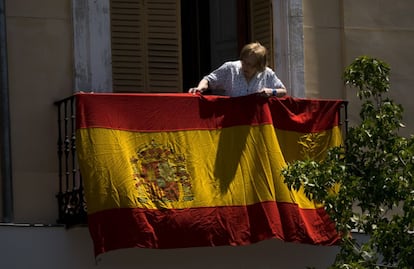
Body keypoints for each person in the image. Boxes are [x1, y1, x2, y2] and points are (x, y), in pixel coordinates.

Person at [188, 42, 287, 98]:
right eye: (243, 62)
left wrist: (271, 92)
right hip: (232, 125)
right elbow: (208, 80)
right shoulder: (230, 68)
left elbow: (283, 91)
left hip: (254, 126)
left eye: (249, 65)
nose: (245, 66)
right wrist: (199, 88)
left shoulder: (267, 73)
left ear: (259, 67)